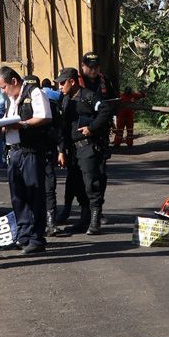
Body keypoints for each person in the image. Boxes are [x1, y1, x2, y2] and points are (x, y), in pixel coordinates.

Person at [0, 67, 54, 253]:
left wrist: (22, 125)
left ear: (13, 81)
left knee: (34, 194)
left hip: (31, 151)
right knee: (18, 196)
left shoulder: (34, 92)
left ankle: (37, 238)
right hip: (14, 153)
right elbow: (6, 122)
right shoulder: (10, 101)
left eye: (3, 87)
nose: (2, 92)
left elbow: (44, 117)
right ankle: (23, 235)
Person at [54, 67, 113, 234]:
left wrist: (92, 128)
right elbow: (63, 128)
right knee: (76, 186)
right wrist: (62, 150)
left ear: (72, 82)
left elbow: (105, 110)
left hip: (88, 147)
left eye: (62, 83)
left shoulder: (88, 96)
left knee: (92, 185)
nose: (60, 87)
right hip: (73, 150)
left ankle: (95, 222)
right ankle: (84, 220)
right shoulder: (65, 99)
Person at [26, 74, 61, 236]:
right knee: (29, 188)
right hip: (28, 153)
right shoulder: (19, 105)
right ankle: (33, 221)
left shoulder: (49, 105)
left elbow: (58, 129)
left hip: (46, 151)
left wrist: (60, 150)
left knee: (48, 187)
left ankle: (50, 221)